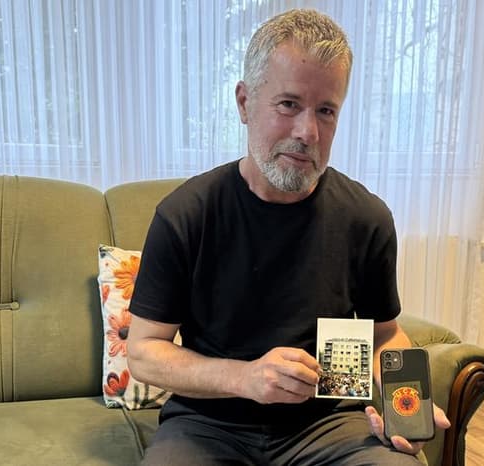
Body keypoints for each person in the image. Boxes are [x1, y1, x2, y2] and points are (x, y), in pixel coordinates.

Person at [128, 8, 450, 466]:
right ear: (244, 103)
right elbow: (143, 352)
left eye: (326, 111)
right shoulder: (186, 215)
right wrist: (244, 378)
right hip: (208, 423)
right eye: (288, 104)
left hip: (331, 424)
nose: (308, 132)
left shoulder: (366, 218)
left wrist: (409, 410)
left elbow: (384, 336)